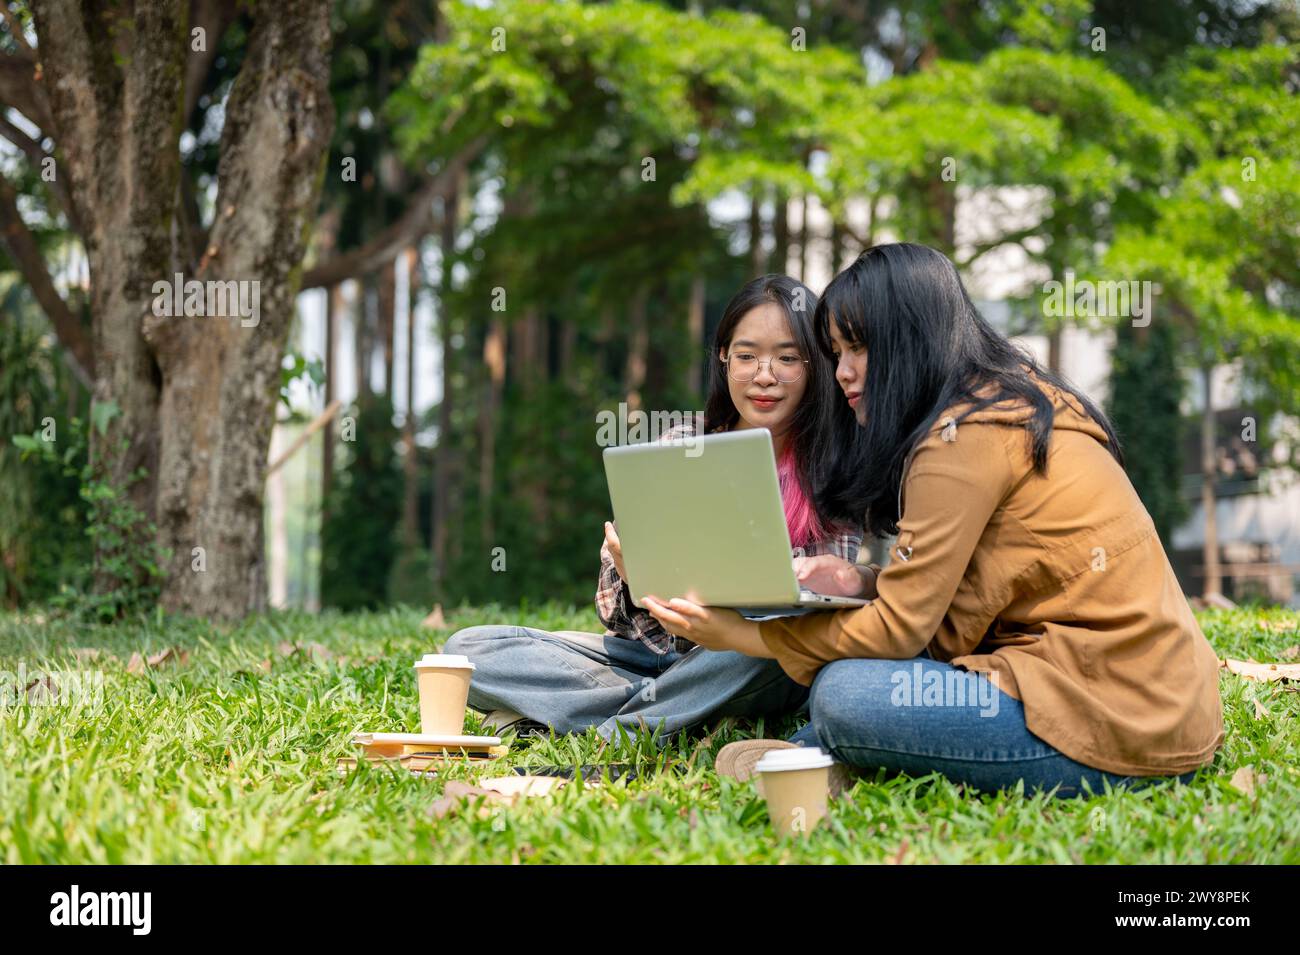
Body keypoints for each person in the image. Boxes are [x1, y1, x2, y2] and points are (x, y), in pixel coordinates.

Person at [643, 243, 1225, 798]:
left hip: (1116, 715)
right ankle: (825, 757)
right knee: (865, 683)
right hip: (1157, 701)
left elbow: (900, 633)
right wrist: (863, 580)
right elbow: (948, 589)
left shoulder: (963, 438)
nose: (842, 373)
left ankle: (831, 752)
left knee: (845, 694)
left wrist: (744, 635)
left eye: (858, 349)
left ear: (909, 342)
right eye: (836, 353)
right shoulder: (1000, 404)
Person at [443, 274, 869, 742]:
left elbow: (824, 605)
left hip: (749, 656)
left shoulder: (836, 465)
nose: (764, 375)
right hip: (651, 661)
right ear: (724, 357)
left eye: (788, 358)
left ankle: (614, 730)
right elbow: (614, 617)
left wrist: (729, 615)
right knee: (466, 652)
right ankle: (685, 713)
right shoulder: (682, 442)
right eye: (747, 356)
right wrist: (635, 576)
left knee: (783, 638)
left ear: (814, 365)